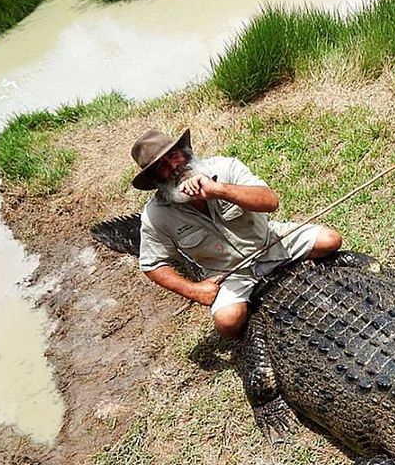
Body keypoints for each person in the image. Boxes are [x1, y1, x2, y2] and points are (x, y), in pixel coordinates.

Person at [130, 128, 342, 339]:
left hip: (270, 241)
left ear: (185, 152)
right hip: (228, 273)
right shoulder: (156, 215)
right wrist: (194, 290)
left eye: (173, 155)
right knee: (228, 322)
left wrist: (219, 190)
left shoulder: (225, 167)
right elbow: (152, 264)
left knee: (330, 240)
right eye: (162, 167)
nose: (174, 166)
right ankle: (255, 331)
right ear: (155, 178)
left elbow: (270, 201)